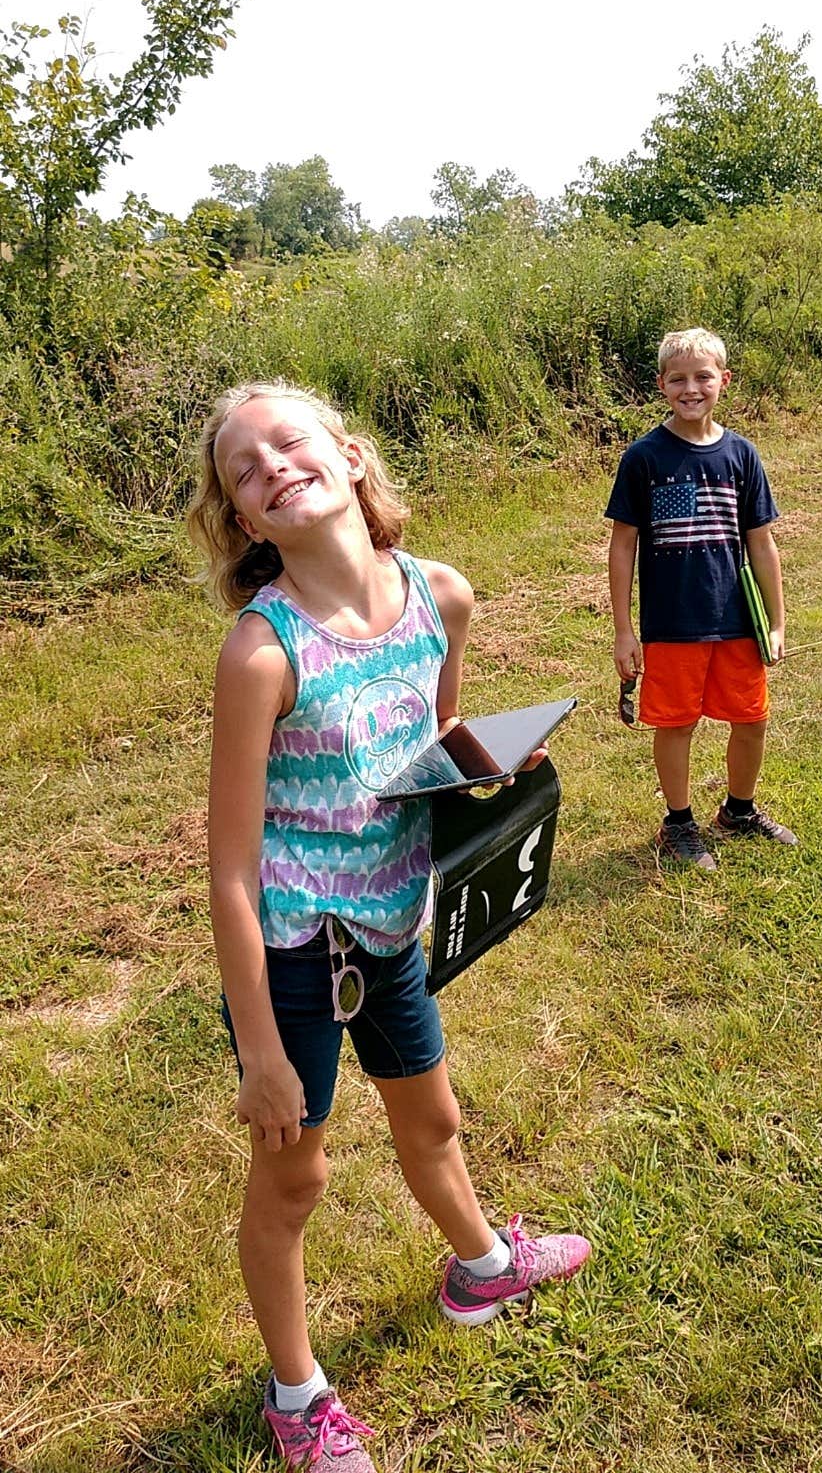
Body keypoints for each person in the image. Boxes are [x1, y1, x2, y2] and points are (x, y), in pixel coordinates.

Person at [187, 380, 590, 1471]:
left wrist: (490, 759)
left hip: (389, 926)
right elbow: (228, 869)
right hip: (295, 955)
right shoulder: (262, 654)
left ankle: (480, 1266)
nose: (271, 464)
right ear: (247, 521)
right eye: (244, 469)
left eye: (288, 441)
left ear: (350, 455)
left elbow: (440, 729)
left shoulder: (439, 594)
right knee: (295, 1175)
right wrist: (261, 1052)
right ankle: (298, 1393)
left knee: (437, 1117)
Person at [607, 328, 797, 871]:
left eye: (703, 377)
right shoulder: (644, 457)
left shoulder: (742, 454)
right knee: (677, 723)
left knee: (752, 718)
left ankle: (738, 810)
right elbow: (623, 546)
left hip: (738, 620)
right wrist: (623, 630)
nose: (692, 388)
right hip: (672, 625)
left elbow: (762, 542)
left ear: (724, 381)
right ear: (663, 385)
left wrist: (776, 623)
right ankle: (679, 823)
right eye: (679, 378)